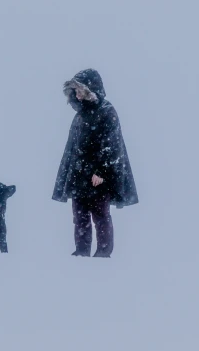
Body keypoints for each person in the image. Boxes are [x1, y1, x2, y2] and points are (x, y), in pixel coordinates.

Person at [52, 69, 138, 257]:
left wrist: (101, 171)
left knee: (100, 216)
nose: (77, 94)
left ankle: (103, 253)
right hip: (79, 175)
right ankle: (81, 252)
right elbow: (72, 149)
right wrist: (71, 172)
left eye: (81, 90)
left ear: (92, 89)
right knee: (79, 218)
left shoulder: (107, 112)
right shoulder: (79, 115)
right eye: (75, 90)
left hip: (98, 178)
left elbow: (111, 146)